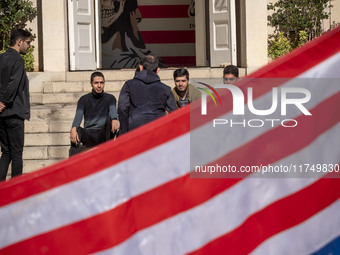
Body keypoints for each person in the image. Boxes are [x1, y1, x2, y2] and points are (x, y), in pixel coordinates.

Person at [0, 29, 32, 181]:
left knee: (6, 152)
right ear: (19, 42)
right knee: (16, 154)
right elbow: (13, 84)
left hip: (2, 115)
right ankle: (15, 191)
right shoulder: (18, 60)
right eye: (27, 42)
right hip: (14, 112)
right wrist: (3, 101)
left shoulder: (1, 58)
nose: (29, 46)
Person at [118, 54, 177, 134]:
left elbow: (122, 108)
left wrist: (124, 130)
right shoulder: (166, 89)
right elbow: (174, 113)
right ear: (158, 70)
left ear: (141, 67)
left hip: (135, 127)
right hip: (159, 128)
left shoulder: (129, 85)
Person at [69, 72, 120, 156]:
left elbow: (113, 111)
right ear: (91, 84)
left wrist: (115, 119)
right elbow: (78, 116)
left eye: (101, 83)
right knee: (76, 130)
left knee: (112, 120)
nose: (99, 85)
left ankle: (109, 152)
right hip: (89, 135)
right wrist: (73, 128)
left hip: (104, 135)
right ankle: (73, 164)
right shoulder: (83, 100)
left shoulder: (110, 98)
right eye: (96, 83)